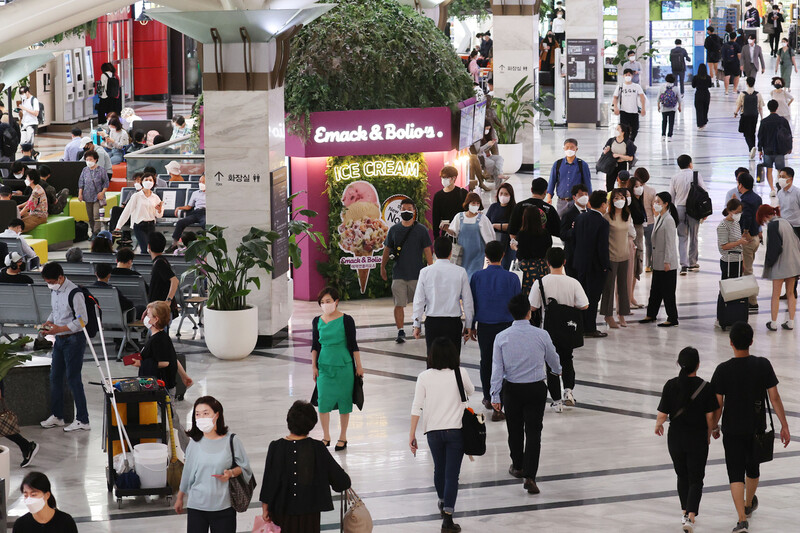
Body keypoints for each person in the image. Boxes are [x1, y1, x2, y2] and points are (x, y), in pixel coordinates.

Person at [710, 323, 791, 533]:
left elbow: (717, 406)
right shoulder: (762, 365)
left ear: (731, 343)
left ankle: (741, 519)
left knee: (735, 473)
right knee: (753, 469)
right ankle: (748, 503)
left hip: (732, 429)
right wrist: (784, 425)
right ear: (752, 342)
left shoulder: (722, 370)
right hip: (756, 427)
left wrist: (713, 428)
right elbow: (774, 397)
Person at [491, 294, 561, 494]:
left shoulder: (501, 337)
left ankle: (518, 465)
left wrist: (495, 395)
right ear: (529, 312)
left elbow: (497, 369)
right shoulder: (541, 335)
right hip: (536, 388)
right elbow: (553, 358)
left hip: (512, 389)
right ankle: (530, 475)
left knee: (514, 428)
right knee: (534, 431)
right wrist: (557, 370)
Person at [410, 338, 474, 532]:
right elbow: (470, 391)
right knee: (451, 475)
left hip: (433, 432)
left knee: (439, 469)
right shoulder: (460, 373)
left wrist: (411, 434)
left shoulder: (424, 376)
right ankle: (448, 517)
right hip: (455, 431)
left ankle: (441, 500)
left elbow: (417, 406)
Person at [654, 347, 719, 533]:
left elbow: (662, 413)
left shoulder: (670, 384)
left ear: (679, 364)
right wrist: (713, 431)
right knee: (696, 478)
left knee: (682, 475)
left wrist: (658, 425)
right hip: (696, 438)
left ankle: (684, 512)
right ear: (698, 364)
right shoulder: (705, 387)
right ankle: (690, 516)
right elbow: (709, 418)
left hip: (675, 438)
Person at [259, 401, 351, 532]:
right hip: (309, 516)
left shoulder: (275, 447)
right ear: (311, 424)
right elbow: (342, 482)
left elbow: (269, 480)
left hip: (281, 513)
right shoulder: (317, 448)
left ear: (289, 421)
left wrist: (265, 508)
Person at [175, 396, 254, 533]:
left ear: (217, 415)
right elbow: (187, 472)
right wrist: (180, 497)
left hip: (224, 507)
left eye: (206, 413)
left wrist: (230, 473)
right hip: (197, 507)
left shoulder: (232, 440)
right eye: (197, 414)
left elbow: (245, 468)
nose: (201, 418)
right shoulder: (194, 443)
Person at [529, 247, 588, 412]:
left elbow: (532, 307)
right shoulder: (573, 282)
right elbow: (584, 304)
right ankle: (568, 391)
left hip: (548, 330)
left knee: (550, 365)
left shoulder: (540, 282)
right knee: (567, 359)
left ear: (547, 263)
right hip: (568, 329)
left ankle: (556, 401)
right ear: (564, 262)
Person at [470, 240, 521, 421]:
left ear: (486, 256)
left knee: (487, 361)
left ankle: (487, 396)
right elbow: (517, 304)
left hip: (485, 325)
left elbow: (472, 303)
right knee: (505, 363)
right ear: (503, 255)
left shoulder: (477, 277)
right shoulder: (512, 278)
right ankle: (502, 399)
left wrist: (472, 324)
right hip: (506, 325)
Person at [38, 262, 90, 432]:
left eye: (51, 281)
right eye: (47, 281)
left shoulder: (74, 293)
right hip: (59, 340)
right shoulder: (55, 289)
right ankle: (57, 415)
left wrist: (60, 328)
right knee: (55, 377)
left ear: (60, 277)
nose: (49, 284)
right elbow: (57, 311)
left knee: (73, 379)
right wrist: (49, 323)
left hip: (73, 340)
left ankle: (83, 419)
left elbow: (82, 321)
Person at [310, 287, 364, 450]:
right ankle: (326, 436)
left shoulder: (346, 320)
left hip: (344, 365)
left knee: (344, 401)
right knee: (323, 400)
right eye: (322, 302)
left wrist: (359, 365)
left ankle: (343, 436)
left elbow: (353, 344)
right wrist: (313, 366)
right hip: (324, 365)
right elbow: (315, 345)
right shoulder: (316, 321)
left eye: (328, 301)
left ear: (336, 301)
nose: (325, 305)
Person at [381, 198, 432, 343]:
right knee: (399, 304)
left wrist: (431, 268)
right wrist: (382, 267)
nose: (406, 211)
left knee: (423, 303)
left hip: (417, 274)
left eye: (409, 208)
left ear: (414, 211)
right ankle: (400, 331)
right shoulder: (394, 230)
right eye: (403, 209)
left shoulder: (421, 230)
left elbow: (427, 250)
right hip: (399, 274)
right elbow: (387, 249)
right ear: (399, 211)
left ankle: (419, 325)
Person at [412, 237, 474, 357]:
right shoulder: (460, 272)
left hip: (433, 322)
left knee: (433, 360)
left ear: (434, 252)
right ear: (451, 252)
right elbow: (467, 301)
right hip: (453, 323)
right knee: (453, 360)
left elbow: (419, 300)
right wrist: (468, 325)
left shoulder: (425, 272)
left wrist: (417, 323)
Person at [573, 191, 610, 338]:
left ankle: (581, 327)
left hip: (581, 264)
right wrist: (605, 265)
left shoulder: (580, 218)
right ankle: (590, 328)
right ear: (602, 205)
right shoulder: (602, 222)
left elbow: (575, 240)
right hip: (595, 267)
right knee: (593, 298)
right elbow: (602, 247)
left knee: (581, 297)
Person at [640, 192, 680, 327]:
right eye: (655, 201)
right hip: (658, 262)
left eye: (658, 202)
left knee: (668, 292)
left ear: (666, 204)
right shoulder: (660, 218)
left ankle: (672, 318)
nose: (655, 204)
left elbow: (670, 243)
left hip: (666, 263)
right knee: (655, 290)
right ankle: (651, 314)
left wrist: (667, 261)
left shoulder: (669, 220)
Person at [757, 205, 800, 330]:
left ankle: (773, 323)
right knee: (791, 293)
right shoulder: (786, 222)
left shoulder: (773, 225)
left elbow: (775, 248)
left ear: (765, 216)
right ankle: (791, 321)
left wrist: (769, 263)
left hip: (780, 264)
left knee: (776, 294)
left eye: (763, 220)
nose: (764, 222)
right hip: (793, 264)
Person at [600, 188, 634, 328]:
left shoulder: (627, 215)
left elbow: (630, 232)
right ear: (611, 201)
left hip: (624, 255)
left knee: (623, 287)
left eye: (621, 198)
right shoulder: (607, 217)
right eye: (615, 198)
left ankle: (622, 314)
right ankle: (608, 316)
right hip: (611, 256)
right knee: (609, 287)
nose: (619, 200)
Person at [669, 154, 705, 275]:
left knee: (682, 237)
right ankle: (692, 262)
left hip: (679, 208)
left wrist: (671, 213)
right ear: (690, 163)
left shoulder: (675, 177)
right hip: (694, 209)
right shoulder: (696, 175)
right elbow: (704, 192)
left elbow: (671, 197)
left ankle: (683, 265)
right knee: (694, 236)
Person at [447, 192, 495, 279]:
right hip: (462, 255)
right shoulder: (459, 217)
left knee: (473, 278)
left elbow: (489, 239)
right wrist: (446, 229)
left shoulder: (482, 219)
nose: (475, 205)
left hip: (478, 256)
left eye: (477, 203)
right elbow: (454, 233)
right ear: (468, 203)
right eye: (473, 203)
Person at [12, 472, 77, 533]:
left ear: (47, 495)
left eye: (33, 495)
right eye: (26, 495)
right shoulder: (20, 525)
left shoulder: (66, 521)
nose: (29, 499)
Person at [716, 198, 747, 327]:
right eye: (736, 211)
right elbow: (723, 246)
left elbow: (739, 244)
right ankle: (721, 317)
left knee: (736, 289)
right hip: (728, 261)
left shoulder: (736, 223)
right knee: (726, 289)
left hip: (738, 260)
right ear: (729, 211)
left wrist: (743, 260)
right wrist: (739, 242)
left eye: (740, 212)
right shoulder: (722, 226)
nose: (738, 214)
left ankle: (734, 315)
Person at [114, 173, 164, 253]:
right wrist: (119, 226)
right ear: (142, 182)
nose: (148, 182)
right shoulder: (136, 196)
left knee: (151, 248)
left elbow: (159, 215)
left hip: (151, 225)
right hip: (139, 225)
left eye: (150, 180)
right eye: (146, 180)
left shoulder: (155, 197)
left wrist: (159, 210)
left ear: (154, 182)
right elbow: (127, 211)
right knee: (144, 248)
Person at [511, 205, 552, 296]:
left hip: (526, 269)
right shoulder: (545, 233)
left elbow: (521, 254)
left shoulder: (522, 234)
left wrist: (515, 248)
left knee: (528, 295)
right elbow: (549, 248)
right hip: (542, 266)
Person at [737, 173, 763, 312]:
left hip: (748, 238)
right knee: (748, 268)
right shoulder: (757, 198)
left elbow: (746, 217)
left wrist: (745, 232)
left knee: (747, 270)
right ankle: (747, 297)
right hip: (756, 238)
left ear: (741, 184)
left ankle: (752, 301)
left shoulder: (745, 200)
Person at [546, 138, 592, 215]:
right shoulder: (557, 164)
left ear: (576, 149)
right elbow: (552, 181)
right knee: (562, 223)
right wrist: (549, 197)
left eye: (572, 147)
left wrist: (589, 201)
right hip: (561, 202)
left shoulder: (582, 165)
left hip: (577, 201)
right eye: (567, 147)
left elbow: (587, 184)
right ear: (564, 148)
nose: (569, 149)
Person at [758, 99, 792, 195]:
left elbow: (761, 136)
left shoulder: (764, 122)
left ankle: (772, 189)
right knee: (781, 171)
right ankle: (780, 187)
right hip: (780, 150)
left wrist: (760, 149)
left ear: (768, 108)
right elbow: (789, 134)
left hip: (768, 150)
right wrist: (789, 147)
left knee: (769, 170)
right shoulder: (783, 121)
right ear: (777, 108)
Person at [559, 184, 589, 278]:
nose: (584, 197)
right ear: (574, 197)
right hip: (572, 257)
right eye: (580, 195)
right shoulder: (568, 214)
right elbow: (563, 235)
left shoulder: (591, 213)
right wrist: (573, 230)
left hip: (587, 257)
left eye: (586, 194)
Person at [78, 150, 109, 237]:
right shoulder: (84, 170)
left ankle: (96, 232)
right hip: (87, 196)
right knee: (90, 217)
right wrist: (80, 194)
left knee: (96, 216)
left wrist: (102, 193)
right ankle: (92, 231)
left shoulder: (101, 170)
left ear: (95, 160)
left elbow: (106, 183)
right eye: (87, 159)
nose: (88, 161)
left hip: (98, 197)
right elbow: (81, 183)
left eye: (90, 159)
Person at [147, 233, 179, 319]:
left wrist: (168, 301)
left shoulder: (159, 263)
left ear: (149, 246)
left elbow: (175, 280)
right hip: (157, 309)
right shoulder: (160, 261)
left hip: (160, 311)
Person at [486, 183, 517, 270]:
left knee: (507, 266)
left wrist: (497, 226)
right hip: (494, 242)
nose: (503, 196)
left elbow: (513, 226)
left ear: (511, 195)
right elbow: (487, 223)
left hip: (508, 243)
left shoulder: (514, 208)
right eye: (501, 193)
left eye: (506, 194)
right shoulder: (493, 207)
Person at [432, 166, 468, 239]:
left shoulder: (463, 193)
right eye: (442, 177)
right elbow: (436, 217)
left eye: (446, 178)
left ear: (453, 178)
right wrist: (436, 237)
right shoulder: (438, 196)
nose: (443, 180)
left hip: (462, 231)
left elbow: (468, 211)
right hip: (446, 232)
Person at [172, 176, 207, 247]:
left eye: (203, 182)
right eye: (200, 182)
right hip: (196, 213)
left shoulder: (212, 193)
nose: (201, 183)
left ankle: (206, 243)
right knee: (180, 223)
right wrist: (179, 207)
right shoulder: (195, 193)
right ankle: (174, 244)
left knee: (205, 224)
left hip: (206, 213)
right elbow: (189, 206)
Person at [734, 77, 764, 159]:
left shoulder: (742, 94)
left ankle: (751, 148)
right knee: (752, 132)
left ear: (747, 83)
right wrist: (762, 117)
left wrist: (736, 113)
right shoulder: (758, 94)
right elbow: (760, 107)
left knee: (746, 133)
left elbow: (739, 104)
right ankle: (752, 147)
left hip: (745, 116)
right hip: (754, 115)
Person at [611, 69, 646, 141]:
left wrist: (643, 108)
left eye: (629, 75)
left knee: (635, 129)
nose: (627, 76)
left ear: (632, 76)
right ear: (623, 76)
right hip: (624, 112)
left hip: (634, 112)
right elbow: (615, 97)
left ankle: (631, 142)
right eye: (626, 75)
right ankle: (626, 145)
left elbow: (642, 97)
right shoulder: (620, 86)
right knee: (624, 130)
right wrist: (615, 107)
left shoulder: (636, 86)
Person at [601, 123, 636, 191]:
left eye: (617, 129)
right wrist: (606, 150)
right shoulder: (611, 140)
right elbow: (605, 150)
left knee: (622, 184)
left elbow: (631, 158)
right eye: (615, 129)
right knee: (609, 184)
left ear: (623, 132)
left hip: (622, 165)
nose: (615, 131)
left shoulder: (628, 143)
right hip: (611, 164)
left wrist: (619, 155)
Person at [658, 73, 682, 140]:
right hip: (672, 108)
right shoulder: (676, 88)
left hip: (664, 107)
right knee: (671, 122)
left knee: (664, 121)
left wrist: (658, 106)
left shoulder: (662, 87)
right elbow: (679, 98)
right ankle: (669, 136)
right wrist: (679, 107)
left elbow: (658, 97)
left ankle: (663, 135)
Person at [691, 63, 713, 130]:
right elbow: (710, 85)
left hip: (698, 94)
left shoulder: (695, 77)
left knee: (699, 110)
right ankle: (704, 121)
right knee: (705, 109)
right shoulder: (708, 77)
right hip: (706, 94)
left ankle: (700, 124)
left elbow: (693, 86)